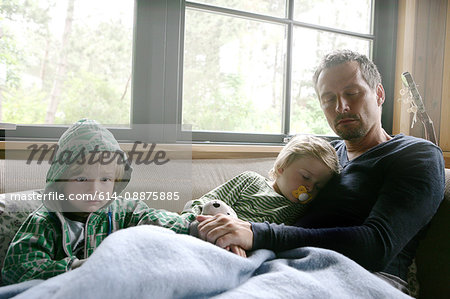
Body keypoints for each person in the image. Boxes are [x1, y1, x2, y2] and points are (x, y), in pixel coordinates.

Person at [194, 50, 445, 292]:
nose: (341, 106)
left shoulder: (415, 155)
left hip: (363, 276)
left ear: (379, 94)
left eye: (352, 93)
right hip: (281, 262)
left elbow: (377, 246)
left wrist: (258, 234)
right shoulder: (324, 156)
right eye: (328, 99)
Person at [1, 119, 192, 284]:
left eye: (105, 180)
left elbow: (157, 221)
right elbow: (18, 269)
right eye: (82, 179)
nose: (94, 190)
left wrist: (197, 227)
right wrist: (80, 268)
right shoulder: (44, 221)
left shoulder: (125, 210)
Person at [184, 134, 340, 226]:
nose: (310, 188)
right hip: (209, 224)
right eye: (305, 177)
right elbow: (207, 201)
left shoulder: (299, 210)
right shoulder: (250, 180)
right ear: (282, 167)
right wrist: (190, 219)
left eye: (318, 186)